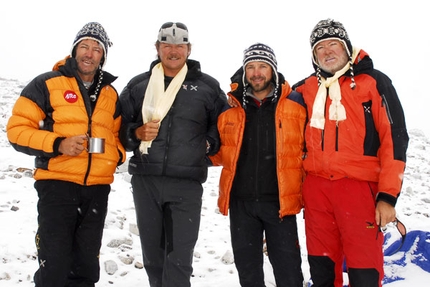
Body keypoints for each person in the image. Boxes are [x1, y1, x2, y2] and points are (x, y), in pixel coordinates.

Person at [6, 22, 126, 286]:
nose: (89, 53)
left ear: (103, 56)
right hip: (57, 186)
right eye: (84, 46)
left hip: (96, 190)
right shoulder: (46, 84)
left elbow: (116, 137)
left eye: (97, 49)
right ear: (74, 50)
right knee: (55, 264)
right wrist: (58, 143)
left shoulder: (109, 93)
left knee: (85, 268)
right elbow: (16, 130)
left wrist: (114, 156)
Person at [292, 19, 409, 287]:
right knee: (322, 270)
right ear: (313, 55)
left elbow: (395, 140)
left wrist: (388, 197)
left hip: (359, 191)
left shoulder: (374, 82)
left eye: (333, 44)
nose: (327, 51)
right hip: (316, 191)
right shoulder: (303, 90)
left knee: (364, 271)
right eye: (320, 47)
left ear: (347, 48)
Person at [118, 22, 227, 287]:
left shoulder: (207, 87)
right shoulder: (138, 85)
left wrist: (209, 144)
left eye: (180, 45)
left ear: (189, 49)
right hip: (147, 181)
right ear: (157, 48)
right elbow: (118, 129)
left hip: (186, 184)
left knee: (179, 259)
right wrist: (136, 133)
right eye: (167, 44)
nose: (173, 50)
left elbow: (224, 126)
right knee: (154, 259)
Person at [209, 43, 306, 287]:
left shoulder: (295, 104)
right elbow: (218, 152)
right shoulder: (229, 107)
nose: (256, 72)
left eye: (263, 66)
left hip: (280, 203)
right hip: (241, 204)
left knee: (289, 272)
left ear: (273, 69)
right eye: (250, 67)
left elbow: (309, 148)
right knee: (249, 273)